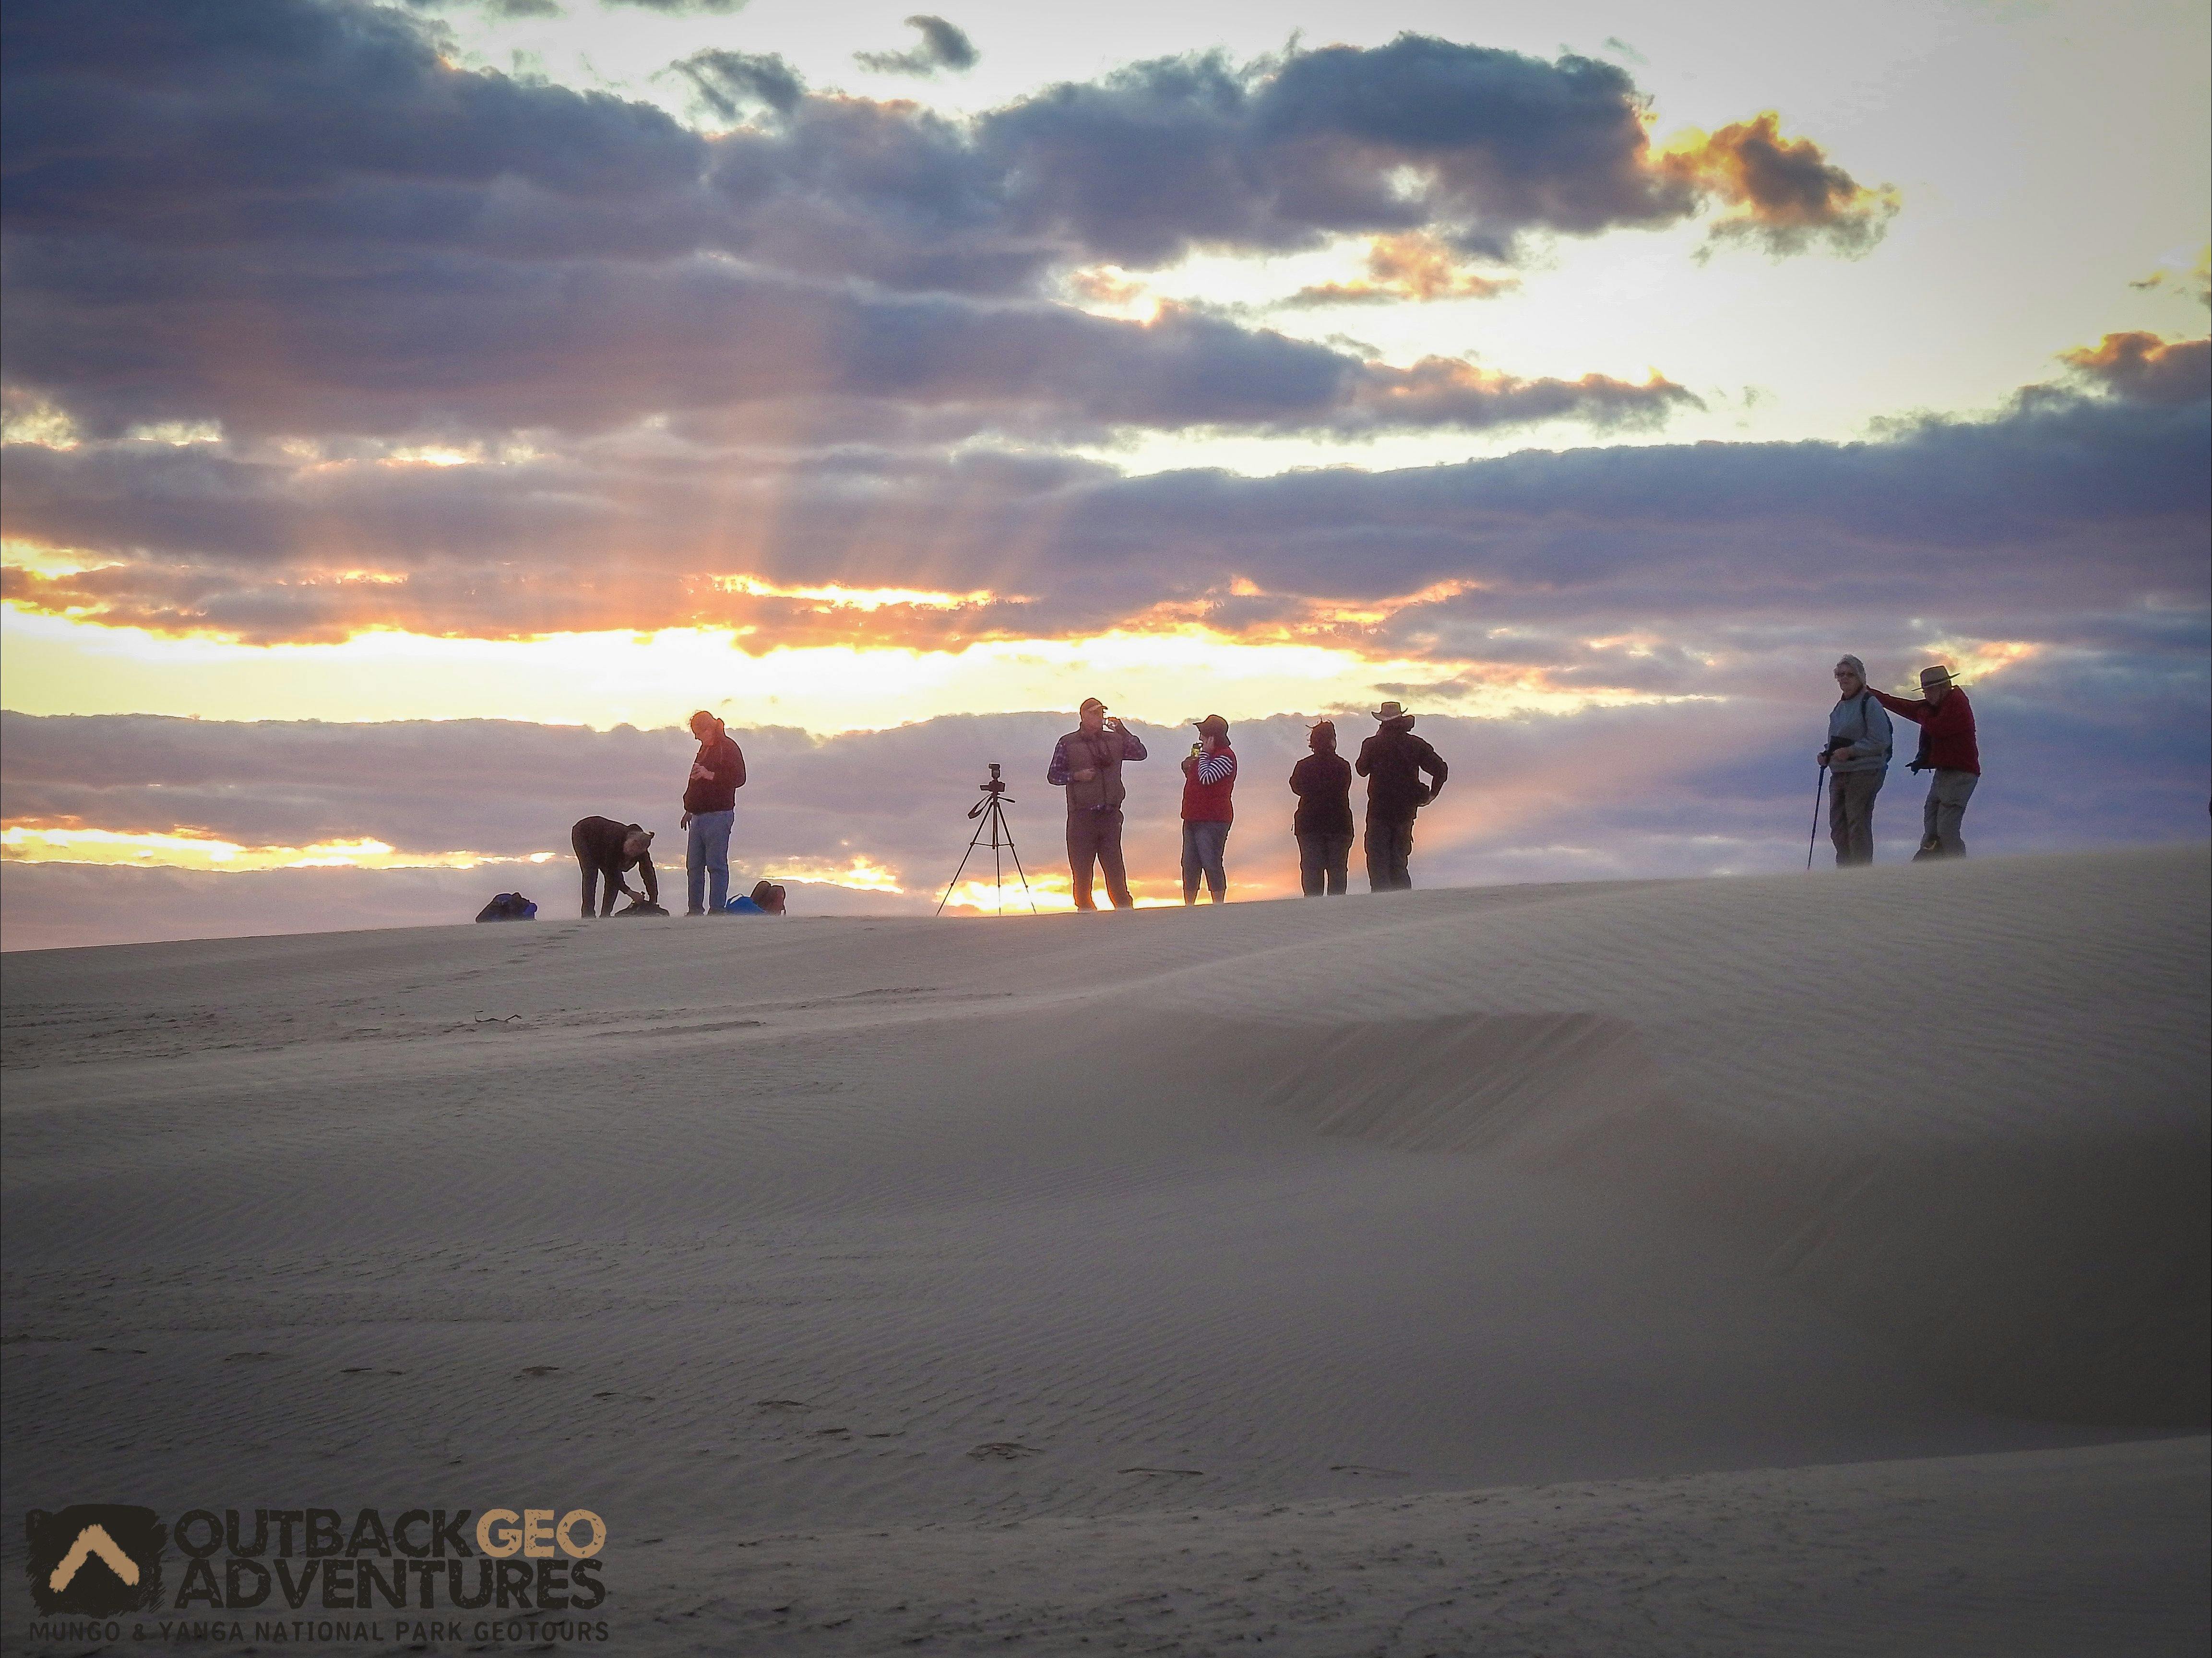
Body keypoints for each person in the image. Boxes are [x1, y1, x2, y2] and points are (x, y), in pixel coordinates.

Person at [1047, 696, 1148, 910]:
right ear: (1083, 715)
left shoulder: (1115, 740)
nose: (1099, 717)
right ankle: (1085, 915)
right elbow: (1054, 775)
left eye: (1101, 713)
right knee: (1082, 872)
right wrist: (1076, 776)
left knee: (1115, 871)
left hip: (1110, 815)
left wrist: (1122, 730)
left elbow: (1140, 754)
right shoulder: (1068, 742)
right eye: (1094, 713)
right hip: (1082, 816)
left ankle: (1125, 914)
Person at [1870, 665, 1980, 858]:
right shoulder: (1934, 707)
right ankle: (1932, 866)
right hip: (1945, 772)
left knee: (1947, 827)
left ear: (1942, 687)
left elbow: (1938, 728)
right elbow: (1903, 706)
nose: (1926, 695)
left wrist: (1921, 713)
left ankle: (1959, 871)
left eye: (1928, 691)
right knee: (1931, 822)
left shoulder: (1957, 704)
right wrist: (1871, 693)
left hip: (1961, 773)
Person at [1356, 701, 1448, 891]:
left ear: (1382, 721)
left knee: (1378, 861)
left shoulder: (1373, 744)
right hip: (1405, 811)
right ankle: (1403, 906)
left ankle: (1383, 909)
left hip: (1379, 811)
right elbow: (1441, 769)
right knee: (1399, 861)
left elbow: (1361, 769)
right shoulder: (1416, 744)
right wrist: (1431, 795)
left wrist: (1376, 739)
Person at [1820, 656, 1892, 867]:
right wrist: (1827, 754)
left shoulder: (1869, 703)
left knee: (1857, 823)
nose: (1844, 679)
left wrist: (1851, 751)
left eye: (1850, 674)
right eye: (1840, 675)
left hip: (1865, 771)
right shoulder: (1840, 707)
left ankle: (1860, 875)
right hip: (1840, 771)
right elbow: (1835, 741)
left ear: (1860, 677)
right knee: (1838, 826)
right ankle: (1845, 872)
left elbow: (1881, 740)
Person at [678, 709, 747, 915]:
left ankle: (717, 910)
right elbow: (695, 781)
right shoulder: (704, 749)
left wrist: (710, 775)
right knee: (694, 866)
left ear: (708, 729)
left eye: (698, 733)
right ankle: (695, 911)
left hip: (719, 815)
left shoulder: (728, 747)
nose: (696, 737)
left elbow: (739, 778)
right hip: (698, 817)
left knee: (716, 865)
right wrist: (689, 809)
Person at [1289, 719, 1355, 896]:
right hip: (1339, 825)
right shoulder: (1343, 766)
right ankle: (1337, 912)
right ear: (1333, 741)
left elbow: (1296, 787)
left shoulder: (1303, 766)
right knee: (1338, 872)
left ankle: (1314, 912)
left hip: (1310, 824)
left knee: (1312, 872)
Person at [1179, 714, 1237, 904]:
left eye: (1204, 735)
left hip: (1213, 820)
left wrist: (1204, 755)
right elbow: (1194, 775)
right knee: (1189, 864)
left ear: (1213, 737)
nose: (1201, 739)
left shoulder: (1226, 757)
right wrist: (1189, 764)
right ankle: (1189, 905)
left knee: (1211, 862)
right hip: (1192, 818)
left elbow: (1207, 778)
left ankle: (1218, 905)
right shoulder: (1205, 757)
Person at [570, 816, 658, 918]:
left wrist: (653, 900)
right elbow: (613, 874)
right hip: (584, 834)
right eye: (629, 851)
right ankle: (588, 915)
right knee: (591, 873)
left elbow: (649, 874)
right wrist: (630, 893)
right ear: (631, 841)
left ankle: (605, 915)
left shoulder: (643, 853)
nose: (629, 855)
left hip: (603, 844)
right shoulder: (615, 840)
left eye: (633, 854)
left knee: (613, 882)